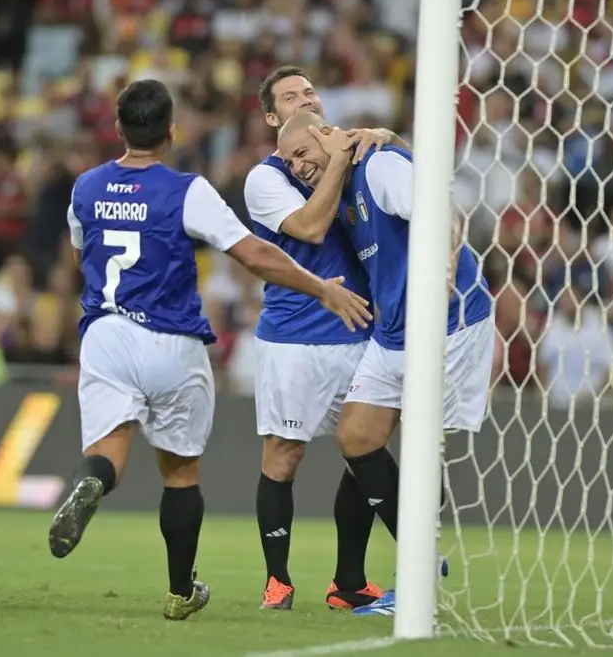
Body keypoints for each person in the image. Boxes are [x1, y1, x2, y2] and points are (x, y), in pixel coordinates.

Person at [46, 79, 373, 621]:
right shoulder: (187, 190)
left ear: (119, 129)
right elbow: (253, 255)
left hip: (105, 333)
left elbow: (81, 253)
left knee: (111, 450)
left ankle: (93, 481)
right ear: (172, 131)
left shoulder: (85, 187)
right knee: (180, 475)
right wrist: (322, 288)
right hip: (173, 339)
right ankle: (180, 591)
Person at [275, 111, 494, 616]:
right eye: (289, 162)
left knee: (419, 451)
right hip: (393, 332)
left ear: (326, 134)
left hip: (448, 326)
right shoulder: (338, 189)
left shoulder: (378, 166)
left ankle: (415, 582)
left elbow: (442, 210)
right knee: (357, 437)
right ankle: (423, 559)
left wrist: (444, 268)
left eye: (302, 153)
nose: (298, 167)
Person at [246, 65, 408, 611]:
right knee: (284, 455)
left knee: (364, 451)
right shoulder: (266, 178)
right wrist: (340, 157)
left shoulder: (355, 152)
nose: (302, 100)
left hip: (362, 331)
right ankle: (277, 581)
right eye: (289, 97)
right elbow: (312, 227)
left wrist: (386, 140)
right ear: (272, 117)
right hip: (295, 338)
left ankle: (350, 582)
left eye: (309, 92)